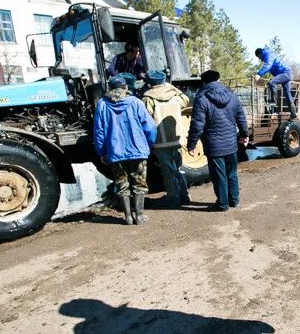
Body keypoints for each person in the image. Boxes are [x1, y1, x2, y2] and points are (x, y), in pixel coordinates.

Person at [93, 75, 158, 224]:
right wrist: (149, 144)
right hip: (137, 150)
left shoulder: (102, 104)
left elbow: (99, 132)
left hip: (115, 153)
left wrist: (101, 152)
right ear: (126, 87)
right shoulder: (136, 102)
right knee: (139, 183)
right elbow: (150, 127)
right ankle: (140, 216)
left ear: (109, 88)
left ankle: (128, 217)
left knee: (122, 185)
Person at [186, 70, 249, 211]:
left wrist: (191, 145)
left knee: (219, 175)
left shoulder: (201, 98)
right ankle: (234, 200)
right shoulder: (232, 95)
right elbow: (241, 117)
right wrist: (245, 135)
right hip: (231, 143)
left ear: (203, 82)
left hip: (214, 146)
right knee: (232, 173)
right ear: (218, 79)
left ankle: (222, 203)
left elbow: (197, 124)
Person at [141, 70, 191, 207]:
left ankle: (173, 198)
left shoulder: (148, 98)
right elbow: (186, 101)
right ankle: (184, 195)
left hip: (160, 141)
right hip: (177, 137)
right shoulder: (175, 96)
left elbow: (146, 118)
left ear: (149, 82)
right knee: (177, 168)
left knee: (167, 171)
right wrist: (172, 87)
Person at [254, 46, 296, 119]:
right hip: (287, 73)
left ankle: (274, 101)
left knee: (271, 83)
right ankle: (293, 114)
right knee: (287, 94)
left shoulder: (268, 55)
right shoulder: (268, 55)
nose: (259, 59)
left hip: (285, 73)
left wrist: (259, 74)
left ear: (260, 54)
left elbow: (268, 66)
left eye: (258, 57)